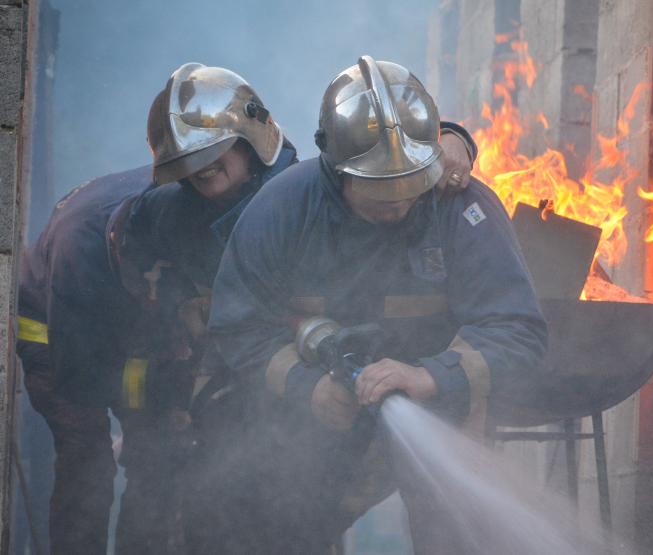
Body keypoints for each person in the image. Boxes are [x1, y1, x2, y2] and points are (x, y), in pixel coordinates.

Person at [17, 60, 479, 554]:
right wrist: (159, 403)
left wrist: (447, 137)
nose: (205, 175)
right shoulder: (83, 250)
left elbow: (355, 156)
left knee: (196, 451)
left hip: (163, 332)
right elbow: (86, 384)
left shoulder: (259, 194)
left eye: (217, 160)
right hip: (65, 334)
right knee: (94, 457)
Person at [200, 56, 547, 554]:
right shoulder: (281, 211)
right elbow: (237, 328)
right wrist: (308, 388)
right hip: (320, 416)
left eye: (412, 183)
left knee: (452, 531)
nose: (402, 202)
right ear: (333, 167)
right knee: (284, 520)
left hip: (438, 409)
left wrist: (431, 377)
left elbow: (518, 329)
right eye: (382, 189)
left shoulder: (459, 206)